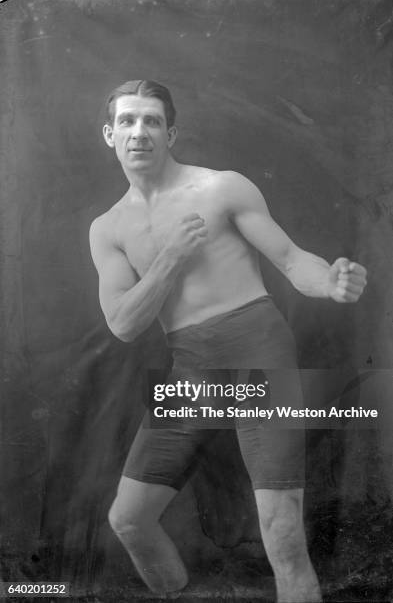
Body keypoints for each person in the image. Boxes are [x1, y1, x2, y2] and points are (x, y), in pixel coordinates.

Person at [89, 79, 367, 602]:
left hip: (258, 353)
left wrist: (327, 281)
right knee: (128, 520)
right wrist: (170, 257)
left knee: (281, 530)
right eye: (127, 121)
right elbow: (124, 324)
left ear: (171, 132)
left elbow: (290, 259)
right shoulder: (107, 229)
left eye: (151, 121)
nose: (139, 132)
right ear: (109, 135)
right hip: (191, 368)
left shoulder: (220, 188)